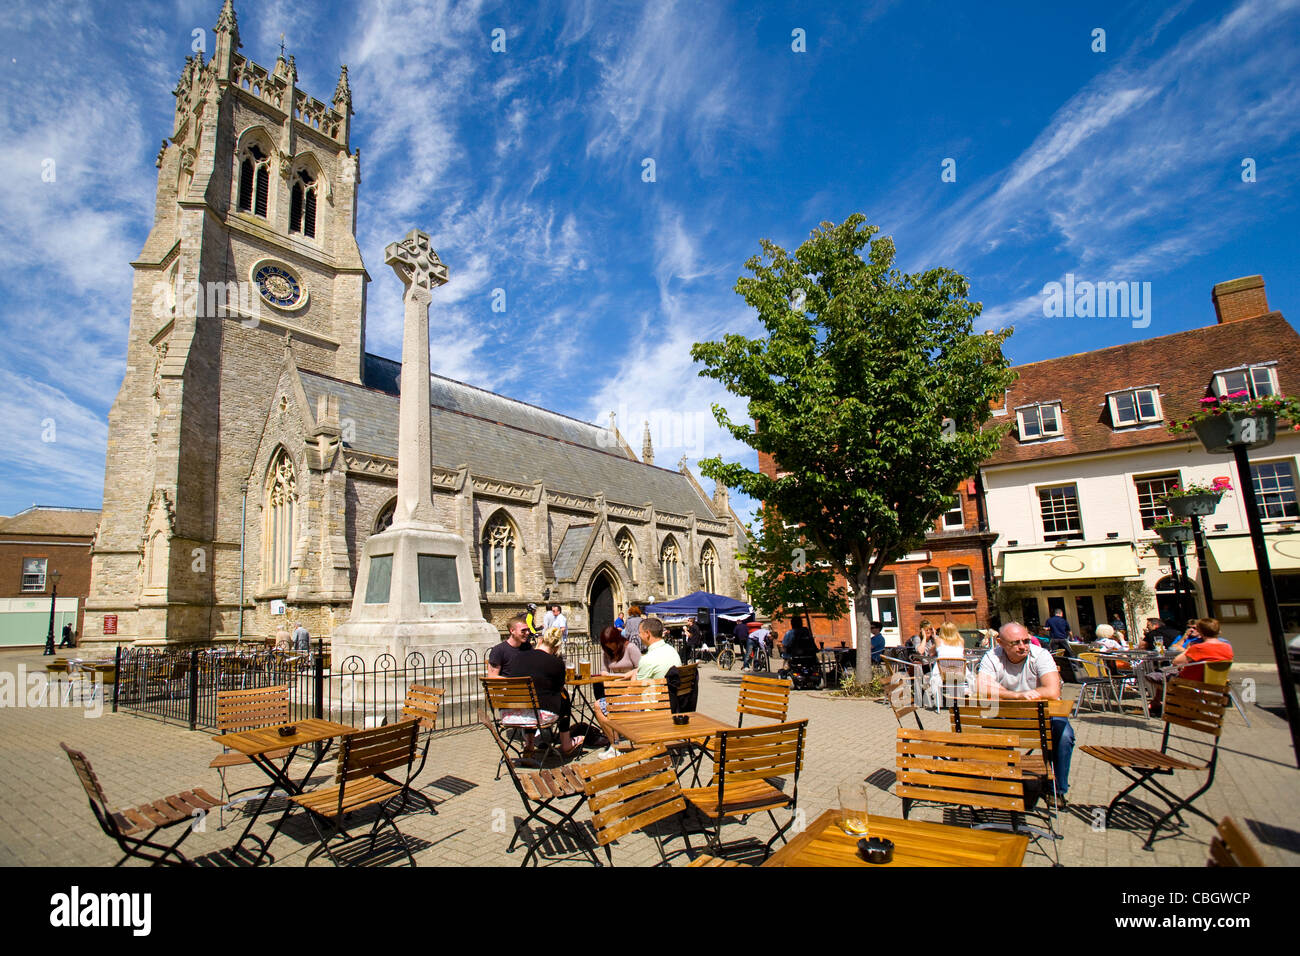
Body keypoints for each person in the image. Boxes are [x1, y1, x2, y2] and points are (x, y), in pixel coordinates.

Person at [976, 622, 1075, 807]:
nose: (1023, 646)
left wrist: (1001, 691)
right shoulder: (993, 657)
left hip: (1044, 715)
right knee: (993, 728)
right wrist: (1017, 695)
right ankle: (1006, 782)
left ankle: (1057, 789)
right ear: (1001, 643)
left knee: (1064, 736)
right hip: (1009, 715)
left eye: (1026, 641)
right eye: (1016, 643)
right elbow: (982, 687)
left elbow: (1052, 691)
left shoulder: (1040, 655)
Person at [508, 629, 585, 758]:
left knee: (529, 701)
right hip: (539, 716)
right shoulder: (556, 663)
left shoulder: (518, 657)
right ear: (556, 647)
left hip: (511, 713)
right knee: (564, 697)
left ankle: (529, 745)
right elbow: (558, 688)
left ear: (541, 640)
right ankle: (566, 742)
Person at [1145, 618, 1234, 713]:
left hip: (1191, 681)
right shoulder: (1227, 647)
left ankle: (1167, 703)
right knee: (1165, 674)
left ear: (1201, 632)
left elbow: (1176, 662)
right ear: (1218, 631)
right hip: (1217, 680)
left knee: (1154, 676)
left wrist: (1188, 650)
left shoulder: (1198, 647)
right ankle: (1166, 703)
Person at [487, 614, 533, 678]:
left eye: (528, 630)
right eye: (523, 630)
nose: (527, 633)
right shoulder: (498, 650)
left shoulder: (528, 647)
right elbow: (492, 676)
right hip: (507, 686)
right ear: (512, 631)